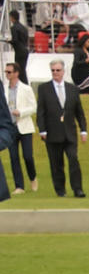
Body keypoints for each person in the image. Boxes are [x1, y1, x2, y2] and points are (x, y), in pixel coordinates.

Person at [36, 59, 87, 198]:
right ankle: (60, 190)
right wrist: (42, 130)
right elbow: (41, 111)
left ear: (63, 71)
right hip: (52, 133)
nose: (55, 73)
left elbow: (79, 112)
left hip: (70, 133)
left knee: (73, 159)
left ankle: (78, 189)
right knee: (56, 163)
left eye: (58, 70)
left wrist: (83, 130)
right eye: (53, 70)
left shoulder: (72, 89)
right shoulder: (44, 88)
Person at [5, 63, 37, 193]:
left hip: (24, 126)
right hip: (10, 127)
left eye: (9, 72)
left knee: (27, 156)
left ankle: (33, 177)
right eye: (6, 72)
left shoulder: (26, 89)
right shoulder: (4, 89)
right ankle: (19, 186)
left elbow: (33, 107)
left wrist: (21, 112)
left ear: (16, 73)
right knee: (13, 157)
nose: (7, 74)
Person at [9, 10, 29, 84]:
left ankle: (23, 85)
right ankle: (25, 85)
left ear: (12, 17)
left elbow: (15, 40)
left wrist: (8, 41)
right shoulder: (23, 27)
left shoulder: (14, 28)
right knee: (22, 70)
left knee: (19, 70)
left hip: (19, 51)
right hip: (25, 50)